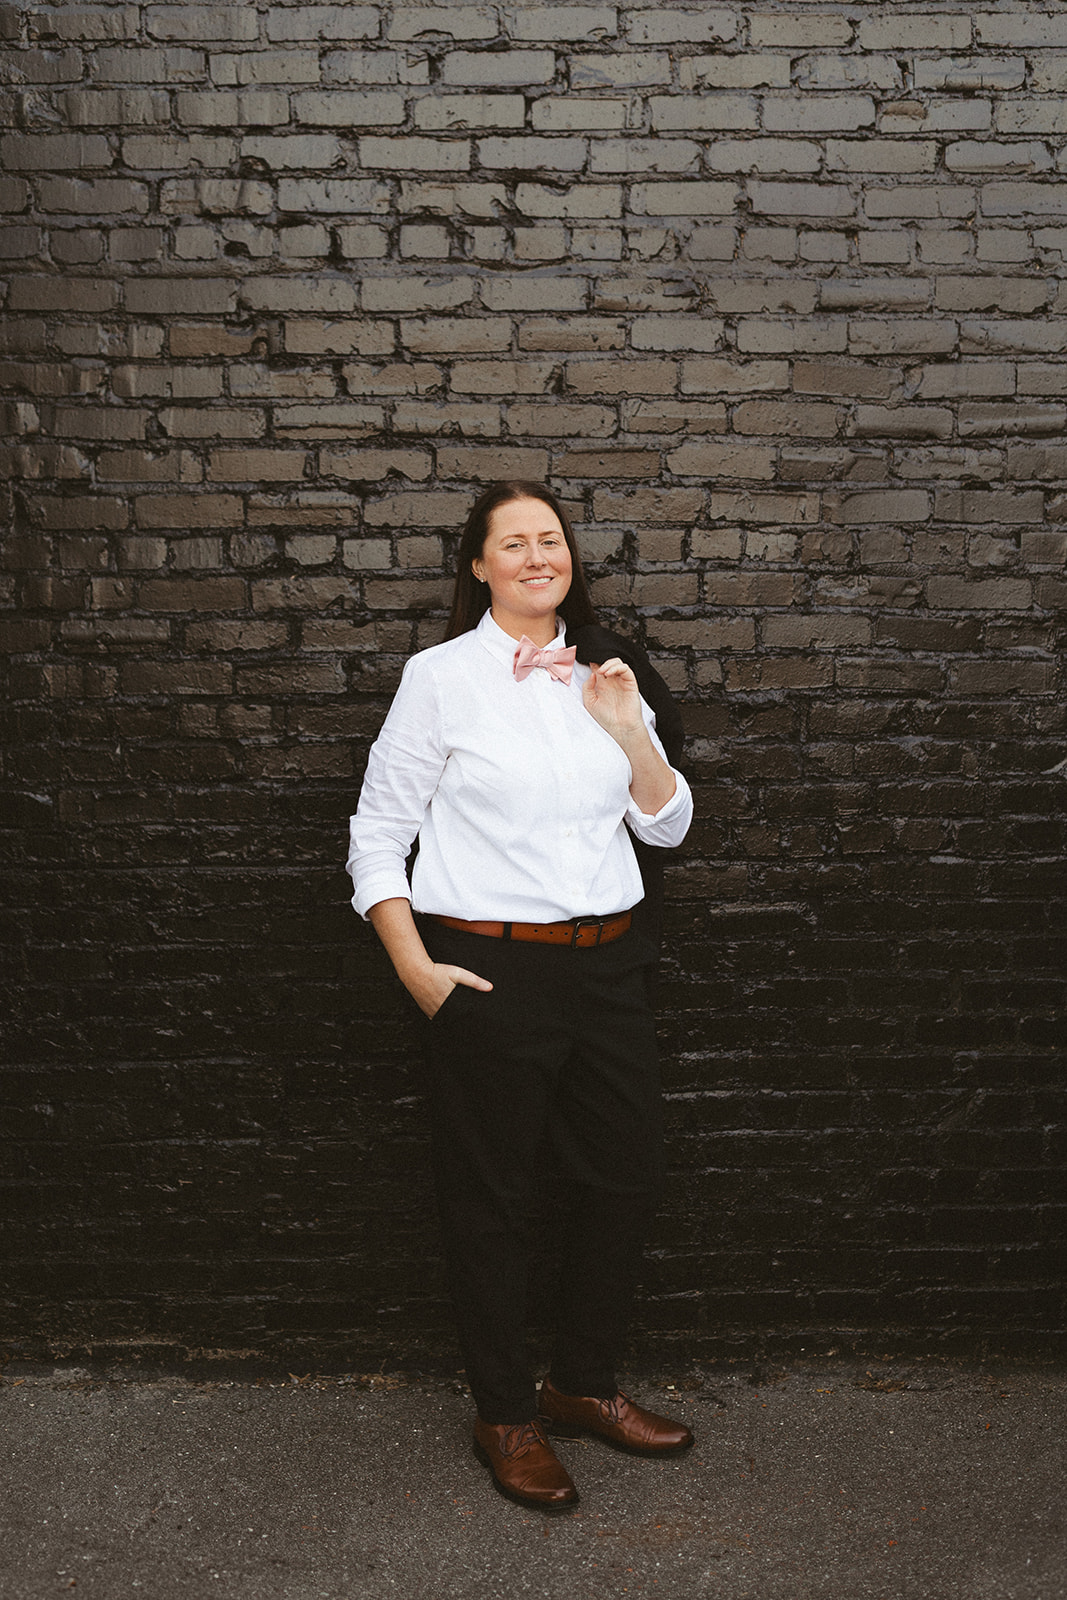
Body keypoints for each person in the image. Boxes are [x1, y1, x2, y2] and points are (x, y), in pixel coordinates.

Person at [346, 481, 695, 1511]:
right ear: (479, 565)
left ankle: (581, 1385)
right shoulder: (438, 678)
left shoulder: (609, 668)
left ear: (567, 559)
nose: (537, 555)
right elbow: (376, 834)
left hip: (607, 966)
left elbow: (667, 826)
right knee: (491, 1199)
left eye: (551, 539)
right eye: (514, 542)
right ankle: (503, 1412)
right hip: (487, 971)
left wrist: (628, 728)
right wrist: (416, 969)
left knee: (621, 1178)